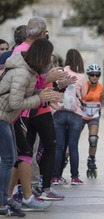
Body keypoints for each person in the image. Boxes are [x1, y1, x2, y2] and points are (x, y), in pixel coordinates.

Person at [0, 38, 61, 216]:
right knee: (8, 160)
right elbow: (16, 102)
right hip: (2, 117)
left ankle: (6, 199)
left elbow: (21, 95)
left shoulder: (28, 71)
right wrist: (39, 98)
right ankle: (3, 202)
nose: (49, 60)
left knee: (11, 159)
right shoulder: (22, 73)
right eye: (48, 56)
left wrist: (41, 94)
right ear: (42, 55)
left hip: (6, 117)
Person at [51, 49, 87, 185]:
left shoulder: (60, 72)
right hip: (75, 113)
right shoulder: (82, 76)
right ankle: (74, 177)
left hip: (59, 112)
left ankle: (55, 177)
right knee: (73, 147)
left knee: (59, 147)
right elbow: (83, 94)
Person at [81, 64, 104, 179]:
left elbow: (101, 100)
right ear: (88, 76)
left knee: (93, 139)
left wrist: (98, 111)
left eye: (97, 75)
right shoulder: (83, 86)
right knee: (72, 139)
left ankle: (91, 159)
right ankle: (65, 158)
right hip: (81, 116)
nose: (95, 77)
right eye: (92, 75)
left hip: (94, 116)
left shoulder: (101, 87)